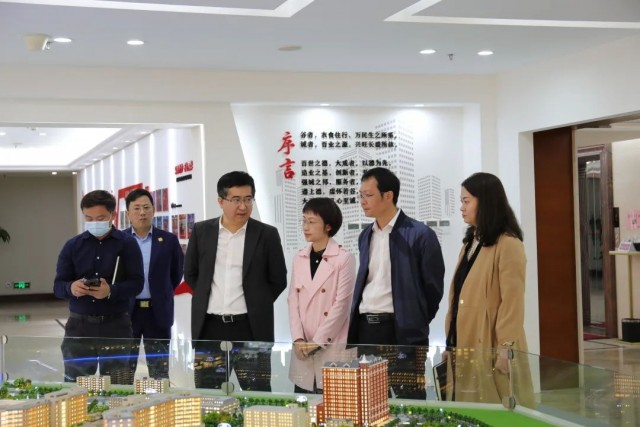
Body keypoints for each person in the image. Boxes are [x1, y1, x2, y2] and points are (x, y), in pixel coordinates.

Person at [347, 167, 445, 399]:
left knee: (409, 400)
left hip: (402, 332)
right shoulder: (365, 235)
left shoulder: (420, 234)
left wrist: (415, 319)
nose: (362, 201)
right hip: (366, 330)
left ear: (388, 195)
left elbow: (433, 289)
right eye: (360, 195)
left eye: (368, 195)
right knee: (370, 402)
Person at [185, 171, 287, 391]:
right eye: (236, 200)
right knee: (208, 394)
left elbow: (278, 279)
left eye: (248, 199)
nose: (243, 206)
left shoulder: (266, 234)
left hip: (250, 329)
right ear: (221, 201)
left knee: (257, 393)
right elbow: (191, 274)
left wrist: (257, 303)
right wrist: (206, 297)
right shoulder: (202, 231)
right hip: (209, 329)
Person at [443, 172, 534, 406]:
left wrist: (506, 346)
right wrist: (450, 341)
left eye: (466, 201)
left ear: (485, 202)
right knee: (469, 404)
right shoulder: (471, 242)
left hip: (491, 342)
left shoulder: (508, 244)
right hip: (466, 339)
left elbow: (512, 301)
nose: (461, 208)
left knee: (497, 403)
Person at [54, 190, 144, 383]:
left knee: (118, 385)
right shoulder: (72, 246)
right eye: (89, 218)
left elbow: (137, 283)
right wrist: (71, 288)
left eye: (100, 218)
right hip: (79, 327)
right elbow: (58, 286)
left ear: (113, 215)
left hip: (116, 326)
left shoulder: (127, 244)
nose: (94, 222)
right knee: (76, 385)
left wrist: (111, 291)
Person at [288, 198, 356, 394]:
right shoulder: (299, 257)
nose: (305, 227)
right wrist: (298, 339)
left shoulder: (344, 258)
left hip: (331, 343)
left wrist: (317, 342)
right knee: (302, 403)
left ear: (328, 226)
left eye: (312, 222)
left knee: (334, 404)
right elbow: (293, 301)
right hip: (303, 347)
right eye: (304, 220)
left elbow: (341, 305)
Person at [125, 189, 184, 380]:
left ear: (153, 210)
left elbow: (176, 273)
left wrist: (161, 292)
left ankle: (159, 398)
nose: (142, 212)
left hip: (157, 312)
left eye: (146, 207)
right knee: (124, 369)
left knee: (159, 369)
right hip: (127, 313)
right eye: (136, 208)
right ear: (128, 213)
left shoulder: (168, 240)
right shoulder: (119, 240)